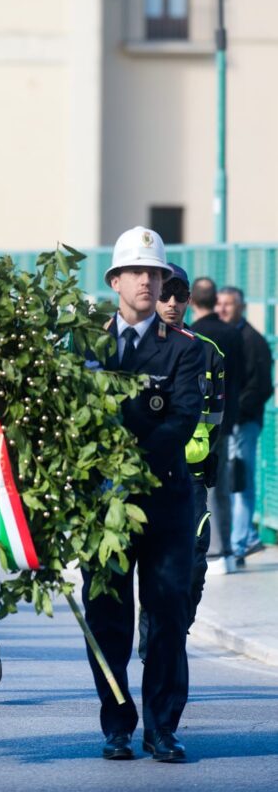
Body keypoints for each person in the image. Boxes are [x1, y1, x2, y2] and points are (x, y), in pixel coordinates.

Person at [82, 226, 204, 764]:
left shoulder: (183, 349)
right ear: (115, 281)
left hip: (164, 503)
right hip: (101, 508)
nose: (149, 282)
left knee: (168, 615)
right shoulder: (87, 344)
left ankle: (162, 727)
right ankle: (116, 723)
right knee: (107, 619)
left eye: (156, 274)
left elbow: (180, 420)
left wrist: (126, 465)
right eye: (138, 272)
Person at [139, 263, 225, 659]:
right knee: (150, 564)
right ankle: (151, 627)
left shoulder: (208, 353)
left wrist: (211, 465)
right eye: (165, 295)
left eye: (181, 296)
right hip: (144, 477)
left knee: (193, 563)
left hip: (189, 479)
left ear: (190, 300)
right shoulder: (135, 349)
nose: (173, 304)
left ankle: (173, 630)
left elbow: (217, 420)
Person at [189, 277, 244, 575]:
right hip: (227, 418)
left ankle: (214, 550)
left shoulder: (193, 338)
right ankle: (229, 550)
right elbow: (245, 374)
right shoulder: (234, 333)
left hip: (198, 430)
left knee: (207, 487)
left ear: (191, 301)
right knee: (223, 488)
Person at [216, 285, 274, 565]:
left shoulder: (252, 340)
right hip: (230, 421)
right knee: (230, 480)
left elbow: (262, 385)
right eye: (220, 303)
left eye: (229, 304)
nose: (223, 309)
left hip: (244, 423)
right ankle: (241, 538)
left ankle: (240, 542)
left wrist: (238, 410)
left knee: (240, 478)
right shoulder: (228, 336)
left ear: (241, 307)